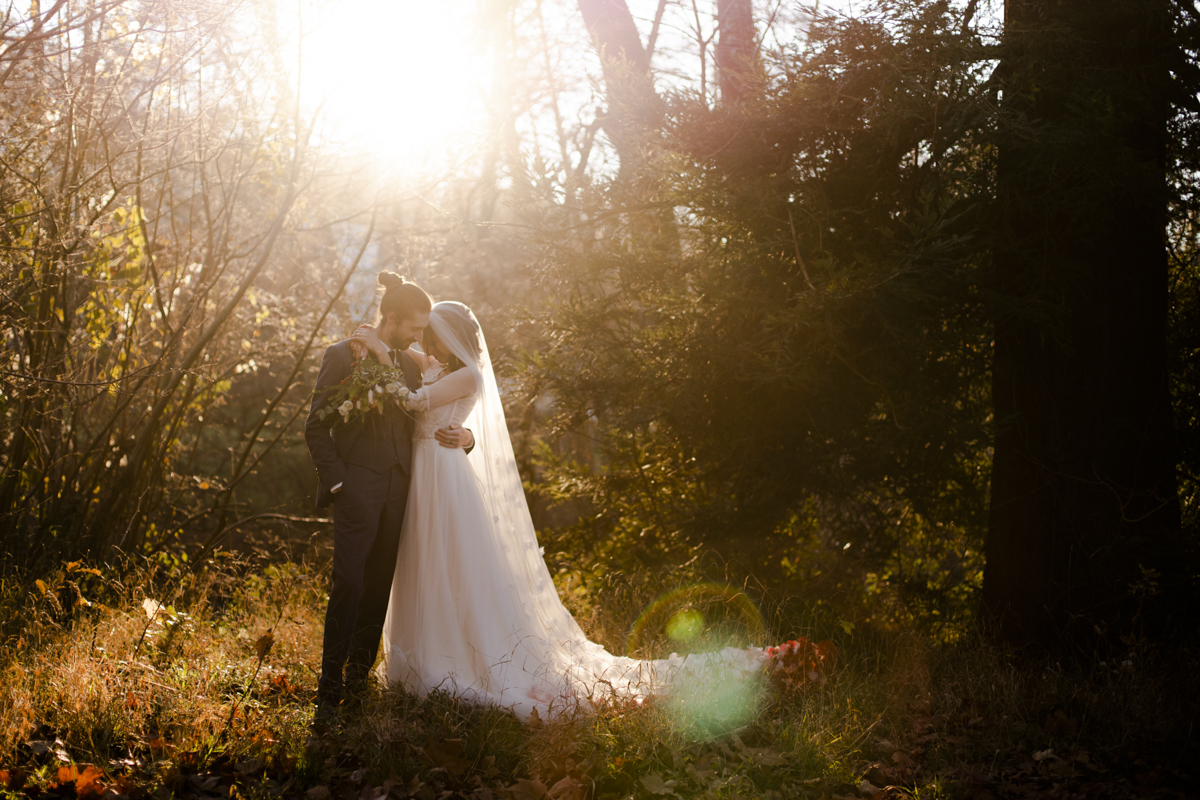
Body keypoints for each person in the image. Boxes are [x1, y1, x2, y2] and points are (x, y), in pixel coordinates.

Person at [368, 301, 762, 719]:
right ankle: (424, 652)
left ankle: (457, 656)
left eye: (436, 336)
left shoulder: (467, 374)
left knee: (452, 564)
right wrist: (382, 335)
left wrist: (380, 355)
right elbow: (402, 346)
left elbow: (413, 402)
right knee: (424, 563)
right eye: (427, 336)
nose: (428, 343)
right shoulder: (438, 364)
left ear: (457, 338)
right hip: (424, 474)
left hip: (445, 478)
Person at [304, 273, 473, 715]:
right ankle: (329, 682)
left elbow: (441, 402)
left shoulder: (412, 365)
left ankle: (358, 680)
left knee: (379, 585)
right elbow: (315, 426)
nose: (421, 337)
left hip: (404, 488)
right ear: (392, 318)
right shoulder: (342, 355)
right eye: (415, 329)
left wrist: (469, 435)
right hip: (357, 485)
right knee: (349, 582)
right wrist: (338, 480)